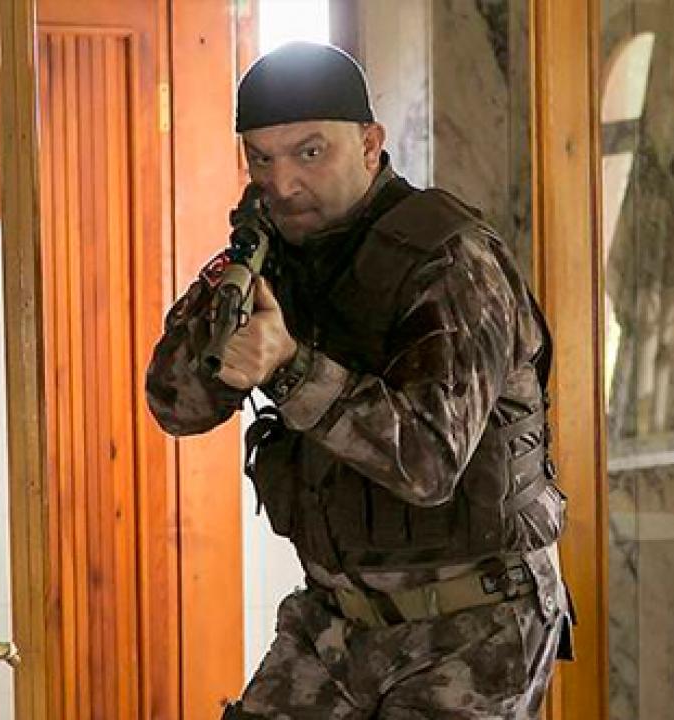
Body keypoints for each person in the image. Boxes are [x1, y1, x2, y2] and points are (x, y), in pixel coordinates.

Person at [146, 41, 572, 719]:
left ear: (370, 144)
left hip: (472, 625)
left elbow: (429, 463)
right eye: (262, 159)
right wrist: (228, 299)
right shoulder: (275, 253)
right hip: (336, 623)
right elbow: (176, 407)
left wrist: (291, 368)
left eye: (309, 152)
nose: (284, 183)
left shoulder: (450, 261)